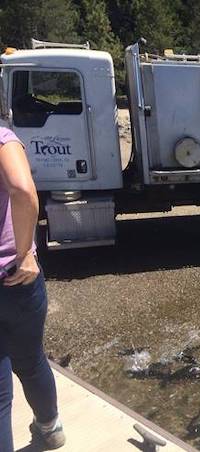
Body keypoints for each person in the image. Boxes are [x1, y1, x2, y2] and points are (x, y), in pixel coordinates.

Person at [0, 127, 65, 450]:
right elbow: (23, 191)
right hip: (15, 278)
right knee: (31, 361)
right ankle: (50, 428)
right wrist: (25, 253)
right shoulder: (1, 139)